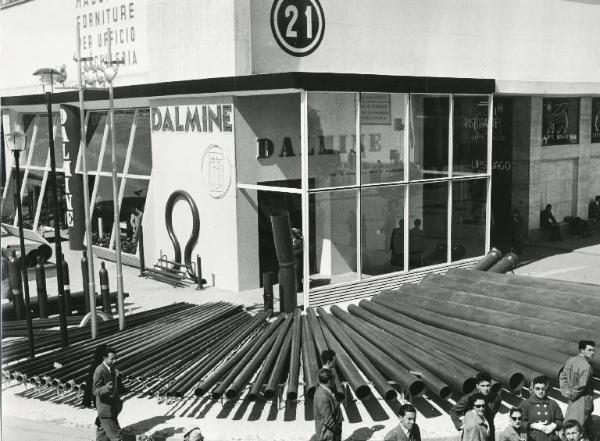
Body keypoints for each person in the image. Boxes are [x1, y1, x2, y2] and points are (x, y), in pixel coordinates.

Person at [451, 372, 502, 441]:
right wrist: (459, 425)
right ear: (477, 386)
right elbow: (454, 411)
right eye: (483, 386)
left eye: (488, 385)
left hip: (487, 432)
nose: (486, 388)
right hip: (472, 434)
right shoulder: (469, 398)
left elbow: (493, 414)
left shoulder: (496, 398)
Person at [559, 340, 595, 434]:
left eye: (593, 350)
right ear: (582, 350)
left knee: (579, 421)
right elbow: (581, 385)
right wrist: (573, 396)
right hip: (582, 399)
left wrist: (566, 392)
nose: (592, 353)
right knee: (575, 426)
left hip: (572, 396)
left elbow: (563, 376)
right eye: (590, 350)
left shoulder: (570, 360)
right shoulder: (586, 366)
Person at [93, 347, 125, 441]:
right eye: (112, 359)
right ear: (104, 358)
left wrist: (117, 375)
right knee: (118, 437)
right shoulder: (99, 370)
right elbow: (95, 391)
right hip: (106, 411)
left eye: (115, 358)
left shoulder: (112, 367)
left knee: (102, 437)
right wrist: (106, 388)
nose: (114, 361)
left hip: (112, 407)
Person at [521, 375, 563, 441]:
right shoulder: (526, 403)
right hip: (533, 438)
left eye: (542, 389)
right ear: (534, 389)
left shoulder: (552, 403)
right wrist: (532, 425)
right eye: (537, 389)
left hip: (550, 437)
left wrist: (553, 426)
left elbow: (560, 420)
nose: (540, 391)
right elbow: (519, 421)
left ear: (545, 389)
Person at [313, 369, 343, 441]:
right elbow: (328, 419)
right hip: (328, 431)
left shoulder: (322, 389)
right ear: (329, 381)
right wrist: (336, 429)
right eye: (333, 380)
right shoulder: (322, 396)